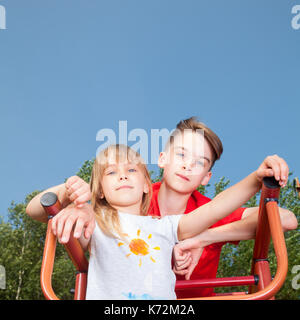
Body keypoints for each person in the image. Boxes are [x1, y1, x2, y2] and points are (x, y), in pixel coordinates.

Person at [26, 117, 297, 298]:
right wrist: (73, 197)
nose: (188, 164)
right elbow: (36, 210)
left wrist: (256, 178)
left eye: (200, 161)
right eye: (181, 154)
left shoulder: (177, 222)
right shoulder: (110, 210)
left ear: (206, 177)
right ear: (162, 159)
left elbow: (230, 209)